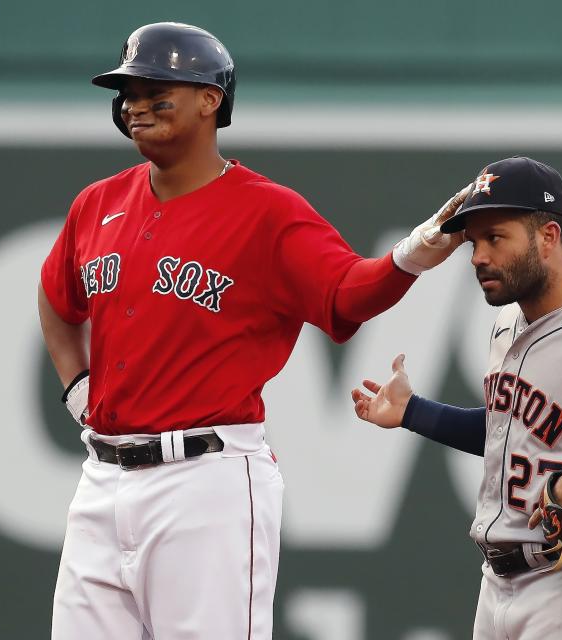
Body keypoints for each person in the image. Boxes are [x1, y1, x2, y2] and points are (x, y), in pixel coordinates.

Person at [37, 22, 470, 640]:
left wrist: (417, 252)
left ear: (210, 99)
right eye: (129, 90)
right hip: (100, 479)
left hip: (204, 479)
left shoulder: (267, 211)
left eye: (157, 88)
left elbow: (347, 293)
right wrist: (77, 385)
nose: (136, 103)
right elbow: (55, 298)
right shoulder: (97, 203)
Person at [351, 156, 562, 639]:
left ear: (548, 237)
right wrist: (414, 412)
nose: (477, 256)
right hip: (496, 585)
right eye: (474, 242)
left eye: (496, 238)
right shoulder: (506, 323)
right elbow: (509, 431)